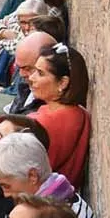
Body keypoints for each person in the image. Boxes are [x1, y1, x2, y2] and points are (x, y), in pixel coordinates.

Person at [26, 44, 92, 188]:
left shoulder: (46, 122)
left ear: (63, 82)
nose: (31, 78)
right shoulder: (78, 112)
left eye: (40, 73)